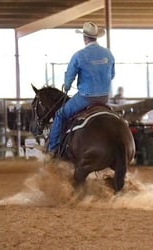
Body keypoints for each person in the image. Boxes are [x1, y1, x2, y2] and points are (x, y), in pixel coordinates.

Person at [47, 21, 115, 154]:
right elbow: (112, 75)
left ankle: (52, 149)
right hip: (105, 98)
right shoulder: (108, 54)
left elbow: (69, 78)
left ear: (84, 38)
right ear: (96, 37)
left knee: (60, 114)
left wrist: (66, 87)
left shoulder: (79, 55)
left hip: (86, 97)